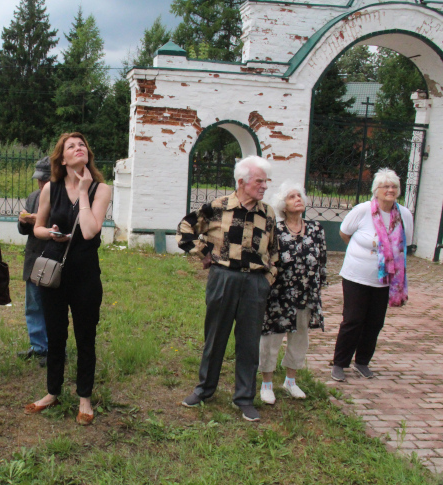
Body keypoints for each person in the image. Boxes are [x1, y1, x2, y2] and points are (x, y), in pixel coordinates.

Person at [177, 155, 278, 422]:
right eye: (260, 181)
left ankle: (244, 398)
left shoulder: (268, 213)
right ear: (242, 181)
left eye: (266, 181)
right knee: (215, 337)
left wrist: (269, 278)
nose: (264, 186)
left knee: (248, 343)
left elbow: (275, 251)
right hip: (223, 278)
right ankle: (204, 390)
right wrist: (203, 252)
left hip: (256, 283)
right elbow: (184, 228)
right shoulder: (218, 207)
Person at [24, 132, 111, 426]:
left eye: (82, 145)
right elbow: (37, 227)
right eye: (71, 146)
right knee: (55, 333)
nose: (78, 148)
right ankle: (52, 392)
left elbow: (89, 231)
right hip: (54, 269)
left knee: (86, 335)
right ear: (62, 158)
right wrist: (50, 233)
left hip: (85, 273)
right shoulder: (51, 187)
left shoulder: (101, 189)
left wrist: (84, 191)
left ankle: (84, 396)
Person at [331, 168, 413, 382]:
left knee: (375, 322)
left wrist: (386, 256)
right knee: (353, 319)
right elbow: (344, 232)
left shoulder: (404, 214)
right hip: (356, 275)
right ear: (376, 190)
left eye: (394, 186)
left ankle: (362, 362)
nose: (390, 190)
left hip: (386, 280)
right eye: (385, 186)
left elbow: (407, 242)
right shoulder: (363, 210)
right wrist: (365, 253)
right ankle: (340, 363)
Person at [259, 181, 327, 405]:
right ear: (283, 206)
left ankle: (290, 381)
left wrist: (318, 288)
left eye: (299, 195)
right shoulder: (275, 230)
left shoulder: (316, 229)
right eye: (291, 197)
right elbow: (266, 261)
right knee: (271, 339)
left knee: (300, 339)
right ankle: (266, 383)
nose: (298, 199)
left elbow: (322, 260)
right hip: (279, 295)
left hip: (306, 294)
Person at [16, 156, 51, 367]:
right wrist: (23, 221)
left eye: (45, 179)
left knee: (51, 306)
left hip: (53, 258)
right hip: (33, 256)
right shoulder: (33, 196)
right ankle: (38, 346)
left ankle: (54, 348)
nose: (41, 183)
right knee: (33, 305)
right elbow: (24, 231)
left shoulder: (63, 196)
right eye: (39, 179)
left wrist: (39, 219)